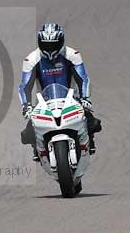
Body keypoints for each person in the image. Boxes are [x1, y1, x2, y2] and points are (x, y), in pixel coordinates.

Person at [18, 23, 102, 160]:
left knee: (92, 122)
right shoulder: (31, 59)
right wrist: (26, 106)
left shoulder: (72, 55)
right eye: (46, 44)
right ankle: (36, 149)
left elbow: (83, 79)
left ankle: (89, 139)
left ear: (61, 41)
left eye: (54, 44)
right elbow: (24, 86)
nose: (50, 48)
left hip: (71, 97)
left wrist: (85, 98)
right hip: (44, 101)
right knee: (28, 133)